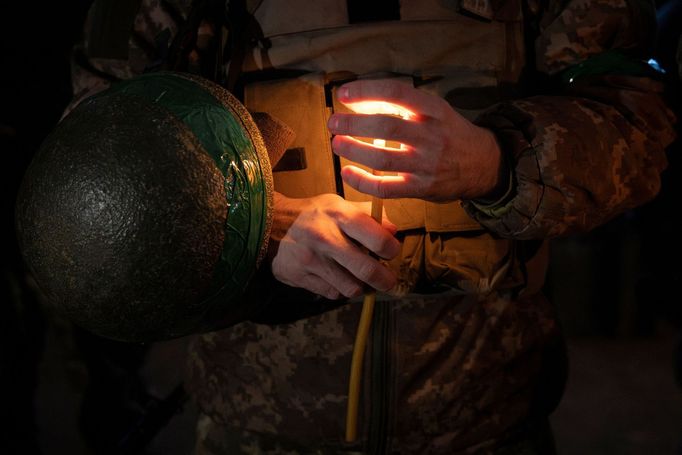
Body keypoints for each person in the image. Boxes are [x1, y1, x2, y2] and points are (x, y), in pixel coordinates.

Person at [65, 0, 676, 453]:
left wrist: (496, 161)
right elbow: (90, 169)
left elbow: (637, 124)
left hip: (485, 419)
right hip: (258, 422)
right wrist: (257, 224)